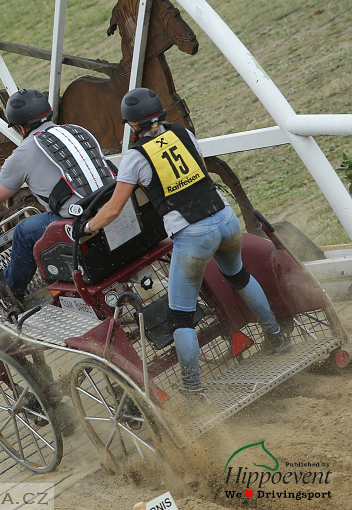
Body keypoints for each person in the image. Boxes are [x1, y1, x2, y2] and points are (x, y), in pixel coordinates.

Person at [81, 87, 292, 397]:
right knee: (239, 276)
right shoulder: (181, 132)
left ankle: (192, 389)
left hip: (193, 234)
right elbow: (200, 169)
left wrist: (85, 227)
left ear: (132, 125)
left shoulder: (136, 157)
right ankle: (277, 338)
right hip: (224, 218)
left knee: (181, 316)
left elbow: (113, 209)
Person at [0, 88, 113, 303]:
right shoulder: (76, 130)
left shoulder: (24, 153)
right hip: (114, 202)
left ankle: (9, 286)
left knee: (25, 231)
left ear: (20, 126)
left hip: (81, 221)